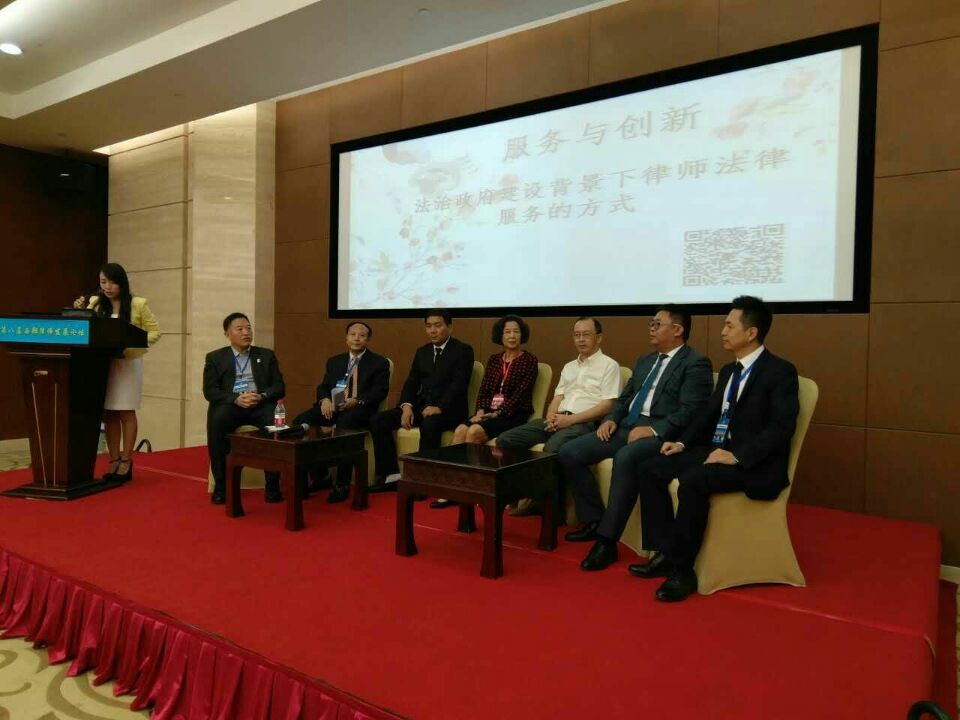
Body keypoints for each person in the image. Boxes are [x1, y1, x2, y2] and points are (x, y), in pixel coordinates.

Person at [608, 296, 799, 602]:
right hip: (715, 451)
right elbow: (707, 414)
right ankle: (665, 551)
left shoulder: (779, 372)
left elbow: (781, 428)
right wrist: (682, 442)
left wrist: (736, 455)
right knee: (651, 468)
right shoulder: (729, 371)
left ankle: (683, 570)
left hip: (752, 463)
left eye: (729, 325)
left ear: (751, 333)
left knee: (694, 481)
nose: (723, 331)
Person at [559, 305, 712, 543]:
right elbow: (625, 398)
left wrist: (653, 429)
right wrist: (611, 419)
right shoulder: (645, 360)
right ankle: (593, 519)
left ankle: (607, 540)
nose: (651, 328)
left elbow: (690, 410)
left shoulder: (695, 363)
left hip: (661, 433)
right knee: (569, 452)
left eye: (657, 324)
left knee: (626, 456)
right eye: (651, 324)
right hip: (627, 427)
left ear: (677, 330)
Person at [496, 317, 621, 516]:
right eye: (577, 335)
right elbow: (558, 397)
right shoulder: (569, 366)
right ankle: (517, 492)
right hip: (558, 419)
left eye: (586, 335)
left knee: (552, 448)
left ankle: (542, 502)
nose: (581, 339)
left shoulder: (609, 366)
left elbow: (607, 406)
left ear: (599, 338)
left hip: (583, 423)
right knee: (506, 440)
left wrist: (569, 420)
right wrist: (551, 416)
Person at [433, 315, 539, 509]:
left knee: (473, 431)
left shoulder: (529, 360)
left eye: (516, 331)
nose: (512, 336)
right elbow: (484, 390)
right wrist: (480, 410)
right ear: (500, 335)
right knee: (460, 430)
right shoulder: (494, 360)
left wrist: (498, 413)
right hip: (488, 413)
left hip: (512, 414)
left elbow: (521, 394)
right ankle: (454, 487)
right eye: (507, 332)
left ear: (522, 335)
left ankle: (477, 489)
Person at [368, 309, 474, 492]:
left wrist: (439, 407)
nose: (432, 330)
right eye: (428, 326)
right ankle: (391, 476)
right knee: (378, 420)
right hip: (421, 405)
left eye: (437, 325)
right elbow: (412, 382)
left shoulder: (463, 350)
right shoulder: (422, 352)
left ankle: (423, 481)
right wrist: (406, 406)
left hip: (450, 410)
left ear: (449, 327)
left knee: (430, 424)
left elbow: (459, 384)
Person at [73, 263, 161, 483]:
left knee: (126, 412)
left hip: (127, 363)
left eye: (112, 282)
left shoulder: (138, 304)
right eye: (103, 282)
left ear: (122, 283)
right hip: (103, 364)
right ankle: (113, 459)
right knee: (109, 413)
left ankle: (126, 460)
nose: (107, 287)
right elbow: (86, 329)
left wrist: (131, 345)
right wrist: (79, 310)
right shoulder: (95, 303)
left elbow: (154, 332)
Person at [292, 321, 390, 503]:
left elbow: (380, 391)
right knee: (301, 421)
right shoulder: (334, 361)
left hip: (360, 410)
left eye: (362, 335)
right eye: (353, 334)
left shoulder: (379, 362)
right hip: (334, 407)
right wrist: (325, 400)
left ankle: (342, 484)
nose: (357, 338)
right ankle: (319, 476)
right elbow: (323, 386)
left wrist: (357, 400)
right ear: (346, 338)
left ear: (368, 339)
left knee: (345, 424)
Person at [203, 312, 286, 505]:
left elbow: (279, 386)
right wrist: (235, 399)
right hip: (231, 405)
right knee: (217, 420)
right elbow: (210, 391)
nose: (246, 332)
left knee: (275, 423)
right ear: (227, 334)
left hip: (260, 404)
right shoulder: (215, 358)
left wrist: (262, 396)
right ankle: (222, 487)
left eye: (248, 328)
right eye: (239, 329)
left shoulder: (266, 355)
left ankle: (272, 485)